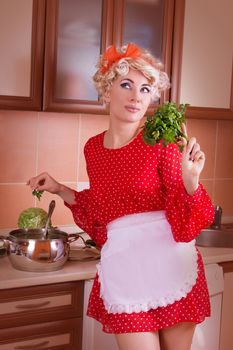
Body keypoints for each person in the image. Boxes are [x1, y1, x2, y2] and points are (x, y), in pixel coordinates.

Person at [27, 43, 214, 350]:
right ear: (106, 91)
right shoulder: (93, 149)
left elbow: (186, 219)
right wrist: (59, 189)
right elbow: (102, 210)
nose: (136, 96)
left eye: (145, 88)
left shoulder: (162, 141)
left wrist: (191, 182)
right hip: (125, 268)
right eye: (126, 85)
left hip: (170, 264)